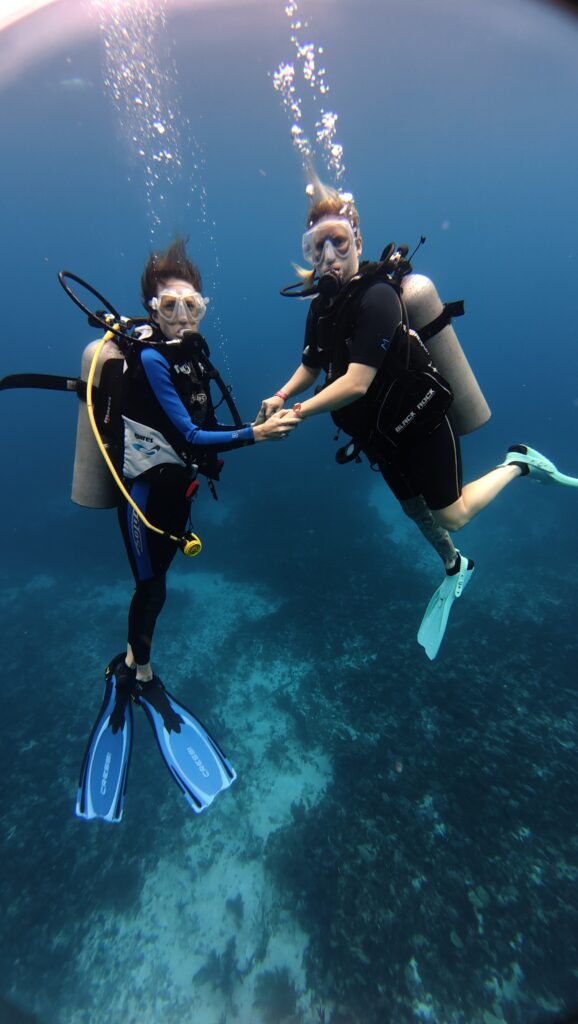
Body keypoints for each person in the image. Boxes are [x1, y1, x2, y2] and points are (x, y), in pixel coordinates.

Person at [256, 177, 578, 660]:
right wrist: (279, 395)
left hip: (420, 419)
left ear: (357, 242)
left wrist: (296, 413)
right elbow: (313, 364)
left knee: (453, 513)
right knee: (414, 510)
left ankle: (518, 462)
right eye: (316, 244)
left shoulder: (379, 296)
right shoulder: (322, 306)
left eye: (338, 242)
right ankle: (455, 566)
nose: (328, 255)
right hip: (380, 434)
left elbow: (358, 381)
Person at [76, 238, 300, 823]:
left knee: (159, 585)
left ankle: (131, 662)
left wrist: (251, 423)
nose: (182, 317)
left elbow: (203, 426)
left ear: (203, 306)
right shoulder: (151, 358)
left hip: (176, 495)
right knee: (150, 589)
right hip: (143, 495)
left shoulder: (195, 355)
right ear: (151, 308)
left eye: (192, 306)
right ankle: (136, 673)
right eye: (170, 307)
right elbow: (191, 438)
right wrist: (257, 438)